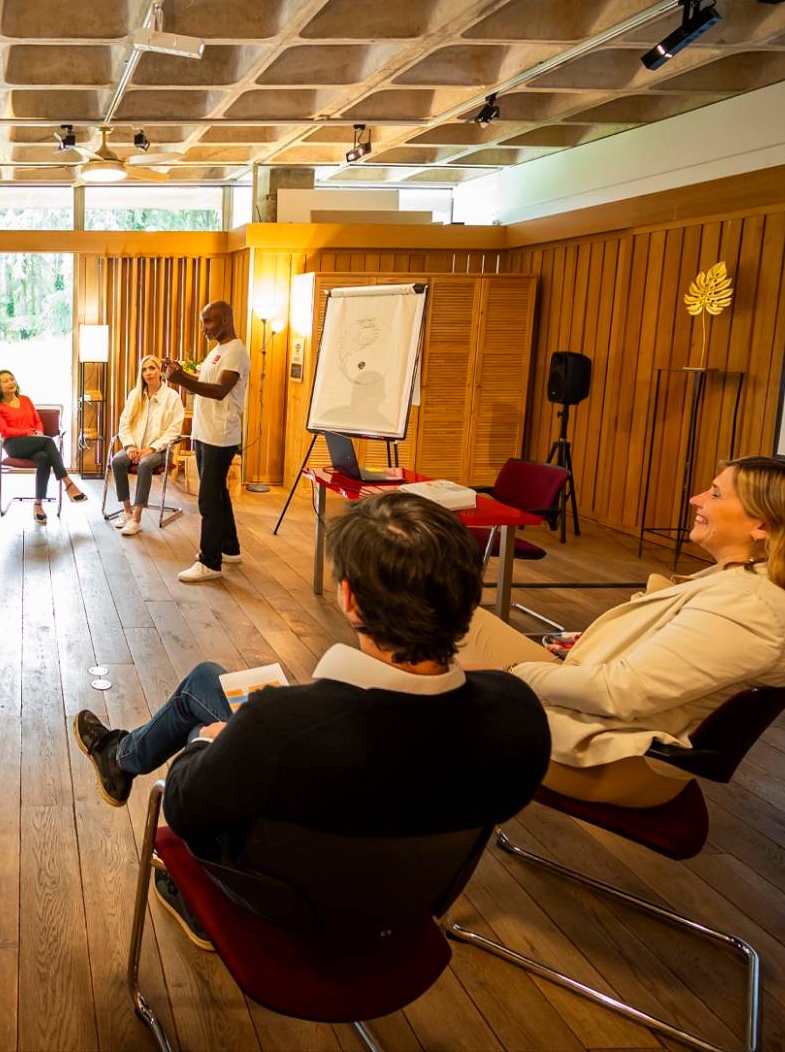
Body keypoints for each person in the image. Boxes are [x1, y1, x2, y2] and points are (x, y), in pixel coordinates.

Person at [72, 491, 548, 949]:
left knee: (204, 721)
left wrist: (206, 745)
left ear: (349, 599)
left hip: (281, 901)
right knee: (207, 682)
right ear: (468, 599)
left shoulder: (278, 726)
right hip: (410, 902)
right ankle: (121, 756)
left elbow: (182, 808)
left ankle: (187, 875)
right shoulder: (519, 717)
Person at [460, 456, 785, 808]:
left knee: (423, 688)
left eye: (714, 494)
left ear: (762, 524)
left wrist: (508, 676)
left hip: (609, 758)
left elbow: (618, 693)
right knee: (444, 618)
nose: (696, 499)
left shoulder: (753, 608)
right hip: (595, 715)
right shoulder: (742, 580)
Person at [163, 301, 248, 584]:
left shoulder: (235, 351)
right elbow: (205, 379)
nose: (203, 329)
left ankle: (210, 561)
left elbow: (221, 390)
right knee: (218, 493)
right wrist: (181, 372)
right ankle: (230, 547)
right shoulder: (217, 351)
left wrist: (182, 379)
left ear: (224, 319)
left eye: (208, 322)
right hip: (205, 432)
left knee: (209, 498)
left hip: (220, 435)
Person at [0, 369, 88, 525]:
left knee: (43, 458)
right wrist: (29, 433)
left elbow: (37, 421)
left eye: (12, 379)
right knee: (48, 442)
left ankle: (38, 504)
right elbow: (4, 430)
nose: (11, 382)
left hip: (33, 441)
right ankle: (68, 483)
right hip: (13, 444)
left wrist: (39, 432)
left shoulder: (26, 400)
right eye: (5, 381)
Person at [111, 354, 185, 536]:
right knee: (117, 461)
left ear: (160, 371)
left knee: (145, 464)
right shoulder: (135, 395)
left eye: (152, 368)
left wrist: (150, 449)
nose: (148, 373)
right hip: (134, 447)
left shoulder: (172, 397)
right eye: (144, 369)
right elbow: (124, 424)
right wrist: (129, 446)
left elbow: (174, 430)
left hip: (158, 450)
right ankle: (127, 511)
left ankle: (137, 518)